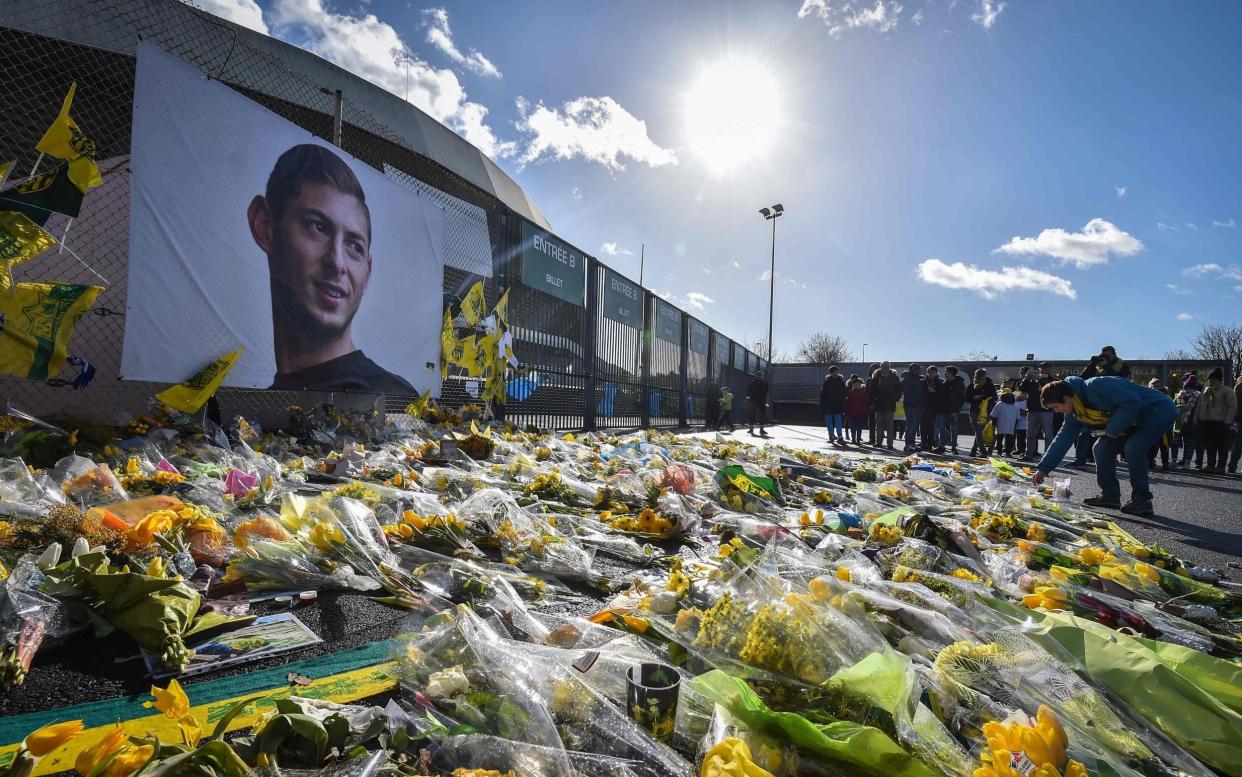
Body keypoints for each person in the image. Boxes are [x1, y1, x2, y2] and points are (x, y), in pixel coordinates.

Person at [248, 144, 415, 394]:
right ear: (264, 226)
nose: (337, 263)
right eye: (318, 228)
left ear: (367, 271)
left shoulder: (393, 399)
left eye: (354, 247)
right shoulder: (257, 410)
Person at [1032, 376, 1178, 517]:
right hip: (1130, 421)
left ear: (1066, 398)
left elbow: (1132, 402)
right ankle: (1110, 495)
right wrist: (1043, 469)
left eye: (1056, 407)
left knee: (1134, 448)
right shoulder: (1074, 412)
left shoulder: (1098, 385)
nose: (1056, 411)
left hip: (1157, 411)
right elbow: (1062, 439)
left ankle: (1142, 499)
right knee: (1101, 449)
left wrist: (1112, 430)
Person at [1194, 367, 1237, 472]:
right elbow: (1199, 406)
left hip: (1220, 421)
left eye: (1213, 378)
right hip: (1206, 421)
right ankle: (1210, 465)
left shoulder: (1227, 391)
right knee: (1209, 444)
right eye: (1209, 379)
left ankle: (1221, 466)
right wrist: (1196, 418)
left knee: (1221, 445)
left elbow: (1232, 407)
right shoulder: (1205, 391)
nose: (1211, 381)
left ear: (1219, 379)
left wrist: (1228, 421)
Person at [1024, 362, 1056, 461]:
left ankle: (1048, 456)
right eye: (1041, 367)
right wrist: (1026, 379)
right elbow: (1023, 389)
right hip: (1033, 410)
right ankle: (1029, 455)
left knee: (1048, 434)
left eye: (1045, 367)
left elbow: (1049, 388)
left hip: (1047, 410)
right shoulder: (1033, 380)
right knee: (1030, 434)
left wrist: (1040, 379)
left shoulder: (1053, 380)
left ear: (1050, 368)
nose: (1042, 369)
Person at [964, 368, 997, 457]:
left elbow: (994, 397)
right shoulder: (972, 385)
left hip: (986, 411)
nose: (979, 380)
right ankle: (982, 451)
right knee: (978, 431)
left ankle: (974, 450)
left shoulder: (990, 385)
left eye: (982, 378)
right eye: (978, 378)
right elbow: (967, 398)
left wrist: (983, 397)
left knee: (980, 431)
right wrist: (973, 398)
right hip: (974, 410)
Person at [870, 361, 902, 450]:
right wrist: (873, 401)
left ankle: (890, 444)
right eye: (883, 366)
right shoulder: (876, 376)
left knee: (889, 425)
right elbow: (872, 390)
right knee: (879, 424)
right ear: (880, 367)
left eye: (886, 366)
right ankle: (879, 443)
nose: (885, 368)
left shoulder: (894, 376)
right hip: (879, 404)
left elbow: (899, 389)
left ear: (889, 367)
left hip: (890, 404)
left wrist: (895, 398)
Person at [1172, 374, 1202, 468]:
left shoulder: (1198, 396)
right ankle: (1173, 461)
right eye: (1186, 387)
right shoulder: (1179, 395)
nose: (1187, 389)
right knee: (1175, 442)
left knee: (1190, 443)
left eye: (1189, 387)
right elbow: (1173, 406)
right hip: (1178, 422)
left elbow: (1200, 409)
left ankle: (1187, 462)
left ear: (1193, 388)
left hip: (1191, 422)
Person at [899, 364, 926, 452]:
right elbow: (907, 393)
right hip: (910, 405)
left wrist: (921, 404)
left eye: (918, 369)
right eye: (915, 369)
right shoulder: (907, 379)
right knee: (911, 425)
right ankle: (908, 445)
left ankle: (912, 444)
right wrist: (916, 403)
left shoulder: (918, 379)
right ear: (911, 370)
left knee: (915, 426)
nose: (917, 371)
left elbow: (920, 393)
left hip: (918, 406)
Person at [1146, 378, 1171, 471]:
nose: (1156, 386)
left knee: (1163, 444)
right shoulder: (1148, 396)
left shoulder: (1166, 396)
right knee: (1152, 444)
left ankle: (1164, 463)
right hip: (1153, 424)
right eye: (1154, 385)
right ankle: (1151, 461)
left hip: (1163, 424)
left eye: (1157, 384)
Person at [818, 366, 848, 445]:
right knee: (829, 422)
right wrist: (821, 405)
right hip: (828, 405)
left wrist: (843, 404)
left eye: (836, 371)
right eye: (833, 371)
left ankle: (839, 436)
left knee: (838, 421)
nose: (835, 373)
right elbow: (823, 394)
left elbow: (844, 394)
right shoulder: (827, 382)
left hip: (837, 405)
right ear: (830, 373)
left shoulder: (840, 381)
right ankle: (831, 436)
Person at [941, 366, 965, 454]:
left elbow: (961, 399)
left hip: (954, 411)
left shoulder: (959, 383)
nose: (944, 374)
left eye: (945, 372)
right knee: (942, 428)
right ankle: (942, 446)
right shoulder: (944, 384)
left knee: (954, 429)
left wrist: (956, 411)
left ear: (950, 373)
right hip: (943, 411)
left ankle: (954, 447)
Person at [990, 388, 1021, 456]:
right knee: (1010, 439)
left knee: (999, 439)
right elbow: (1017, 418)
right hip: (1011, 425)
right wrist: (1015, 426)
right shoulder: (1015, 406)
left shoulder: (999, 404)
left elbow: (994, 415)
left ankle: (999, 452)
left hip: (1000, 424)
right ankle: (1008, 452)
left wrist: (993, 424)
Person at [924, 365, 946, 453]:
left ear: (936, 373)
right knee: (923, 427)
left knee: (932, 427)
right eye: (929, 372)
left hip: (934, 408)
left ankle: (930, 444)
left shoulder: (940, 382)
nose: (930, 374)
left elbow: (942, 395)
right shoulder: (924, 381)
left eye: (932, 372)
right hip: (924, 407)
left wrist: (934, 392)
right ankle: (924, 443)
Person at [845, 376, 869, 445]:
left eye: (858, 384)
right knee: (853, 427)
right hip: (852, 414)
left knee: (859, 428)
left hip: (861, 414)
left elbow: (865, 404)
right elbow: (848, 404)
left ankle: (858, 439)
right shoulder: (850, 393)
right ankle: (853, 439)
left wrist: (866, 413)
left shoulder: (863, 393)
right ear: (853, 385)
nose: (857, 386)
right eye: (855, 385)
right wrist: (847, 412)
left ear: (860, 385)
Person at [747, 369, 769, 437]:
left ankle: (761, 430)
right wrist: (749, 398)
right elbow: (748, 391)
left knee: (762, 415)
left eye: (761, 375)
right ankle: (751, 429)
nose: (759, 376)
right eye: (758, 375)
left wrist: (765, 401)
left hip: (762, 401)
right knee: (751, 415)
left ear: (762, 376)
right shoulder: (752, 383)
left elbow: (766, 393)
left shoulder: (765, 383)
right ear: (756, 376)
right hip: (753, 401)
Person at [865, 362, 881, 445]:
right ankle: (872, 439)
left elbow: (877, 392)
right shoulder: (869, 379)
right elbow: (867, 392)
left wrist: (874, 402)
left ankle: (878, 440)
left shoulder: (880, 379)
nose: (872, 369)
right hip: (869, 402)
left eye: (874, 368)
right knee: (871, 422)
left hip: (877, 403)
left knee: (879, 423)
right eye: (871, 368)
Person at [1230, 374, 1242, 474]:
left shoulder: (1238, 385)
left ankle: (1232, 466)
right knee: (1238, 443)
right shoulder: (1239, 386)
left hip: (1239, 418)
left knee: (1238, 443)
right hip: (1240, 418)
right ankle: (1232, 465)